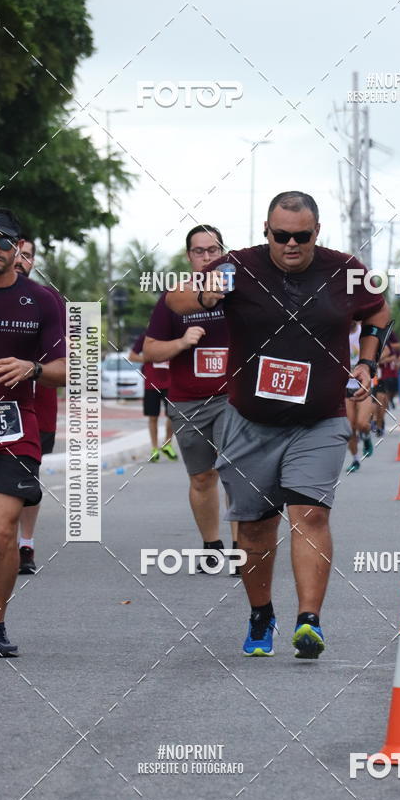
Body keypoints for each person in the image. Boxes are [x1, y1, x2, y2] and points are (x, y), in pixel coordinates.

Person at [166, 191, 389, 659]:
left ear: (317, 233)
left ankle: (309, 621)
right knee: (254, 528)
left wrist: (368, 362)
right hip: (250, 421)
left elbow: (378, 312)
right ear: (266, 231)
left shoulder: (344, 269)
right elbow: (176, 300)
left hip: (320, 419)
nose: (291, 244)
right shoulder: (237, 266)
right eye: (281, 235)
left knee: (310, 514)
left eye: (301, 237)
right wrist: (207, 293)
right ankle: (261, 613)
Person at [144, 224, 238, 573]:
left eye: (213, 250)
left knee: (236, 473)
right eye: (200, 251)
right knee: (202, 477)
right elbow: (150, 350)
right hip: (188, 401)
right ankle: (212, 546)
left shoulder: (240, 293)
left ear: (224, 253)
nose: (207, 257)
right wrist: (182, 343)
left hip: (233, 398)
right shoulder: (175, 297)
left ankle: (242, 548)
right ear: (189, 257)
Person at [0, 209, 66, 656]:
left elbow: (67, 369)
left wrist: (33, 367)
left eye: (1, 242)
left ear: (17, 248)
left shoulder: (41, 301)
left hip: (15, 427)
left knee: (2, 531)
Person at [14, 236, 66, 575]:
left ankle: (25, 546)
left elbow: (64, 358)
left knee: (26, 481)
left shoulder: (47, 301)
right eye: (13, 252)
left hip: (36, 409)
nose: (20, 260)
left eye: (27, 255)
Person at [128, 331, 177, 463]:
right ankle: (154, 448)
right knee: (153, 417)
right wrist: (148, 358)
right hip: (151, 383)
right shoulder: (146, 337)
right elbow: (132, 356)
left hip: (170, 382)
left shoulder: (173, 336)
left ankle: (167, 444)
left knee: (172, 415)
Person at [345, 321, 373, 473]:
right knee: (350, 428)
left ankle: (367, 437)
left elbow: (382, 351)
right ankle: (355, 460)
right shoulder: (339, 332)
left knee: (362, 423)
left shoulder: (364, 332)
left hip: (363, 384)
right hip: (344, 386)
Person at [374, 325, 400, 436]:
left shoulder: (386, 342)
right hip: (368, 376)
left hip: (382, 377)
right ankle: (374, 422)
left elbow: (392, 354)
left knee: (381, 401)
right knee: (374, 402)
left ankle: (379, 425)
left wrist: (377, 359)